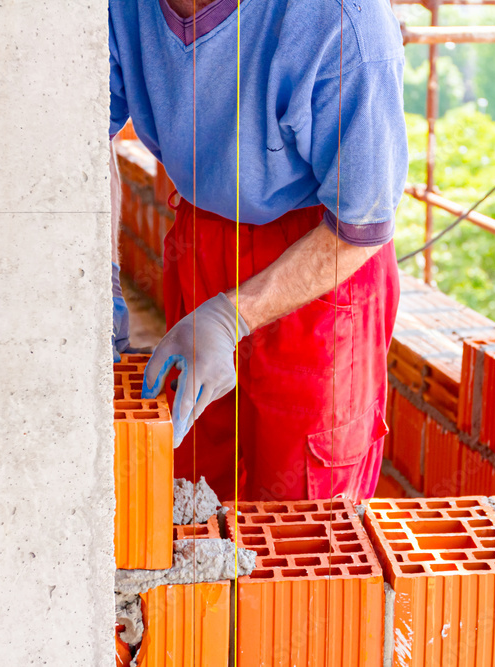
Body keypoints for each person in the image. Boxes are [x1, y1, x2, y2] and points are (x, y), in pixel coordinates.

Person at [108, 0, 408, 502]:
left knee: (307, 506)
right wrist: (100, 278)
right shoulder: (120, 9)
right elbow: (76, 142)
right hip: (201, 233)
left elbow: (361, 219)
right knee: (190, 479)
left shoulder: (342, 21)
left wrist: (231, 316)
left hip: (320, 259)